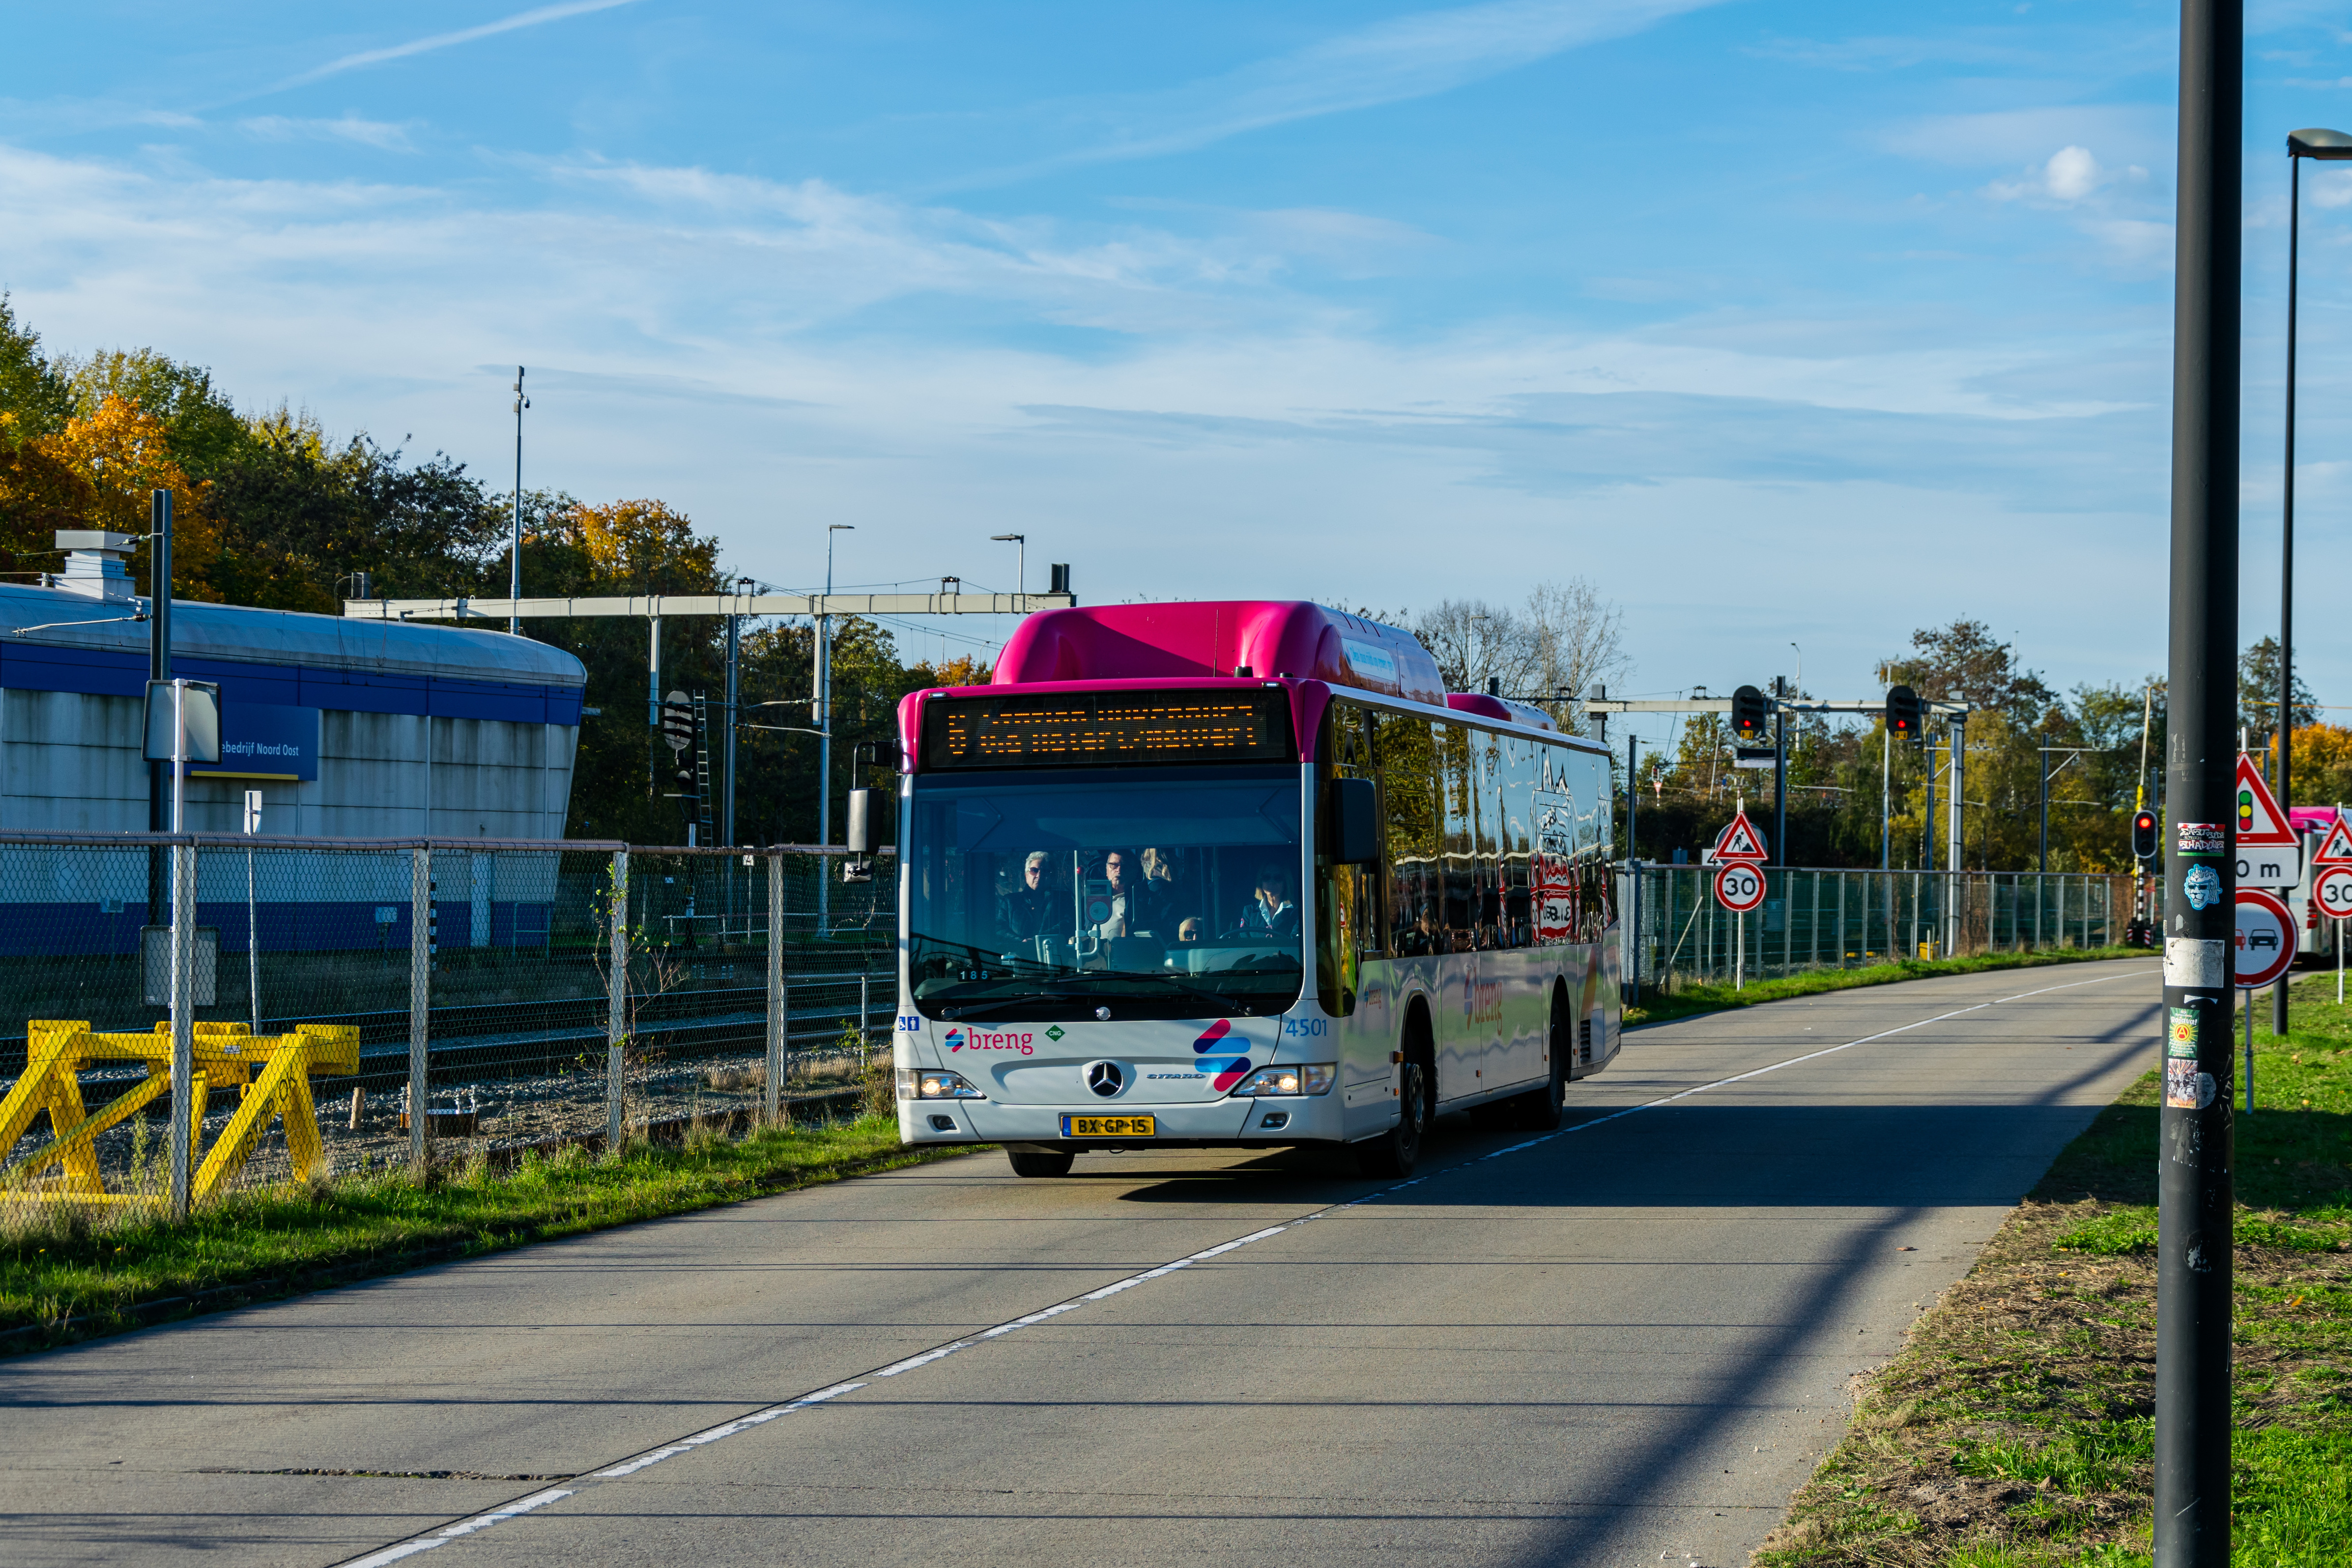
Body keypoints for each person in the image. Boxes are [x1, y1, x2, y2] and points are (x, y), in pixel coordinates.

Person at [997, 852, 1059, 949]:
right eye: (1034, 870)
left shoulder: (1060, 901)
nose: (1039, 875)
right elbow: (999, 928)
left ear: (1052, 877)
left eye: (1046, 871)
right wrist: (1020, 942)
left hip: (1051, 957)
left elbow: (1066, 925)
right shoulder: (1010, 901)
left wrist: (1037, 941)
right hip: (1018, 958)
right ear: (1026, 875)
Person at [1238, 867, 1299, 939]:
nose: (1271, 882)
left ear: (1285, 883)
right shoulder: (1250, 911)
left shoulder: (1297, 912)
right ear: (1261, 883)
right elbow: (1243, 942)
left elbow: (1295, 942)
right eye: (1267, 877)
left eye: (1278, 878)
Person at [1135, 847, 1185, 934]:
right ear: (1164, 857)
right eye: (1173, 854)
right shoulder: (1165, 888)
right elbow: (1171, 917)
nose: (1178, 859)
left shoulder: (1146, 883)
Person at [1093, 849, 1138, 939]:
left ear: (1134, 872)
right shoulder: (1094, 900)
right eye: (1114, 865)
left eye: (1125, 866)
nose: (1119, 870)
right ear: (1107, 870)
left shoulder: (1138, 903)